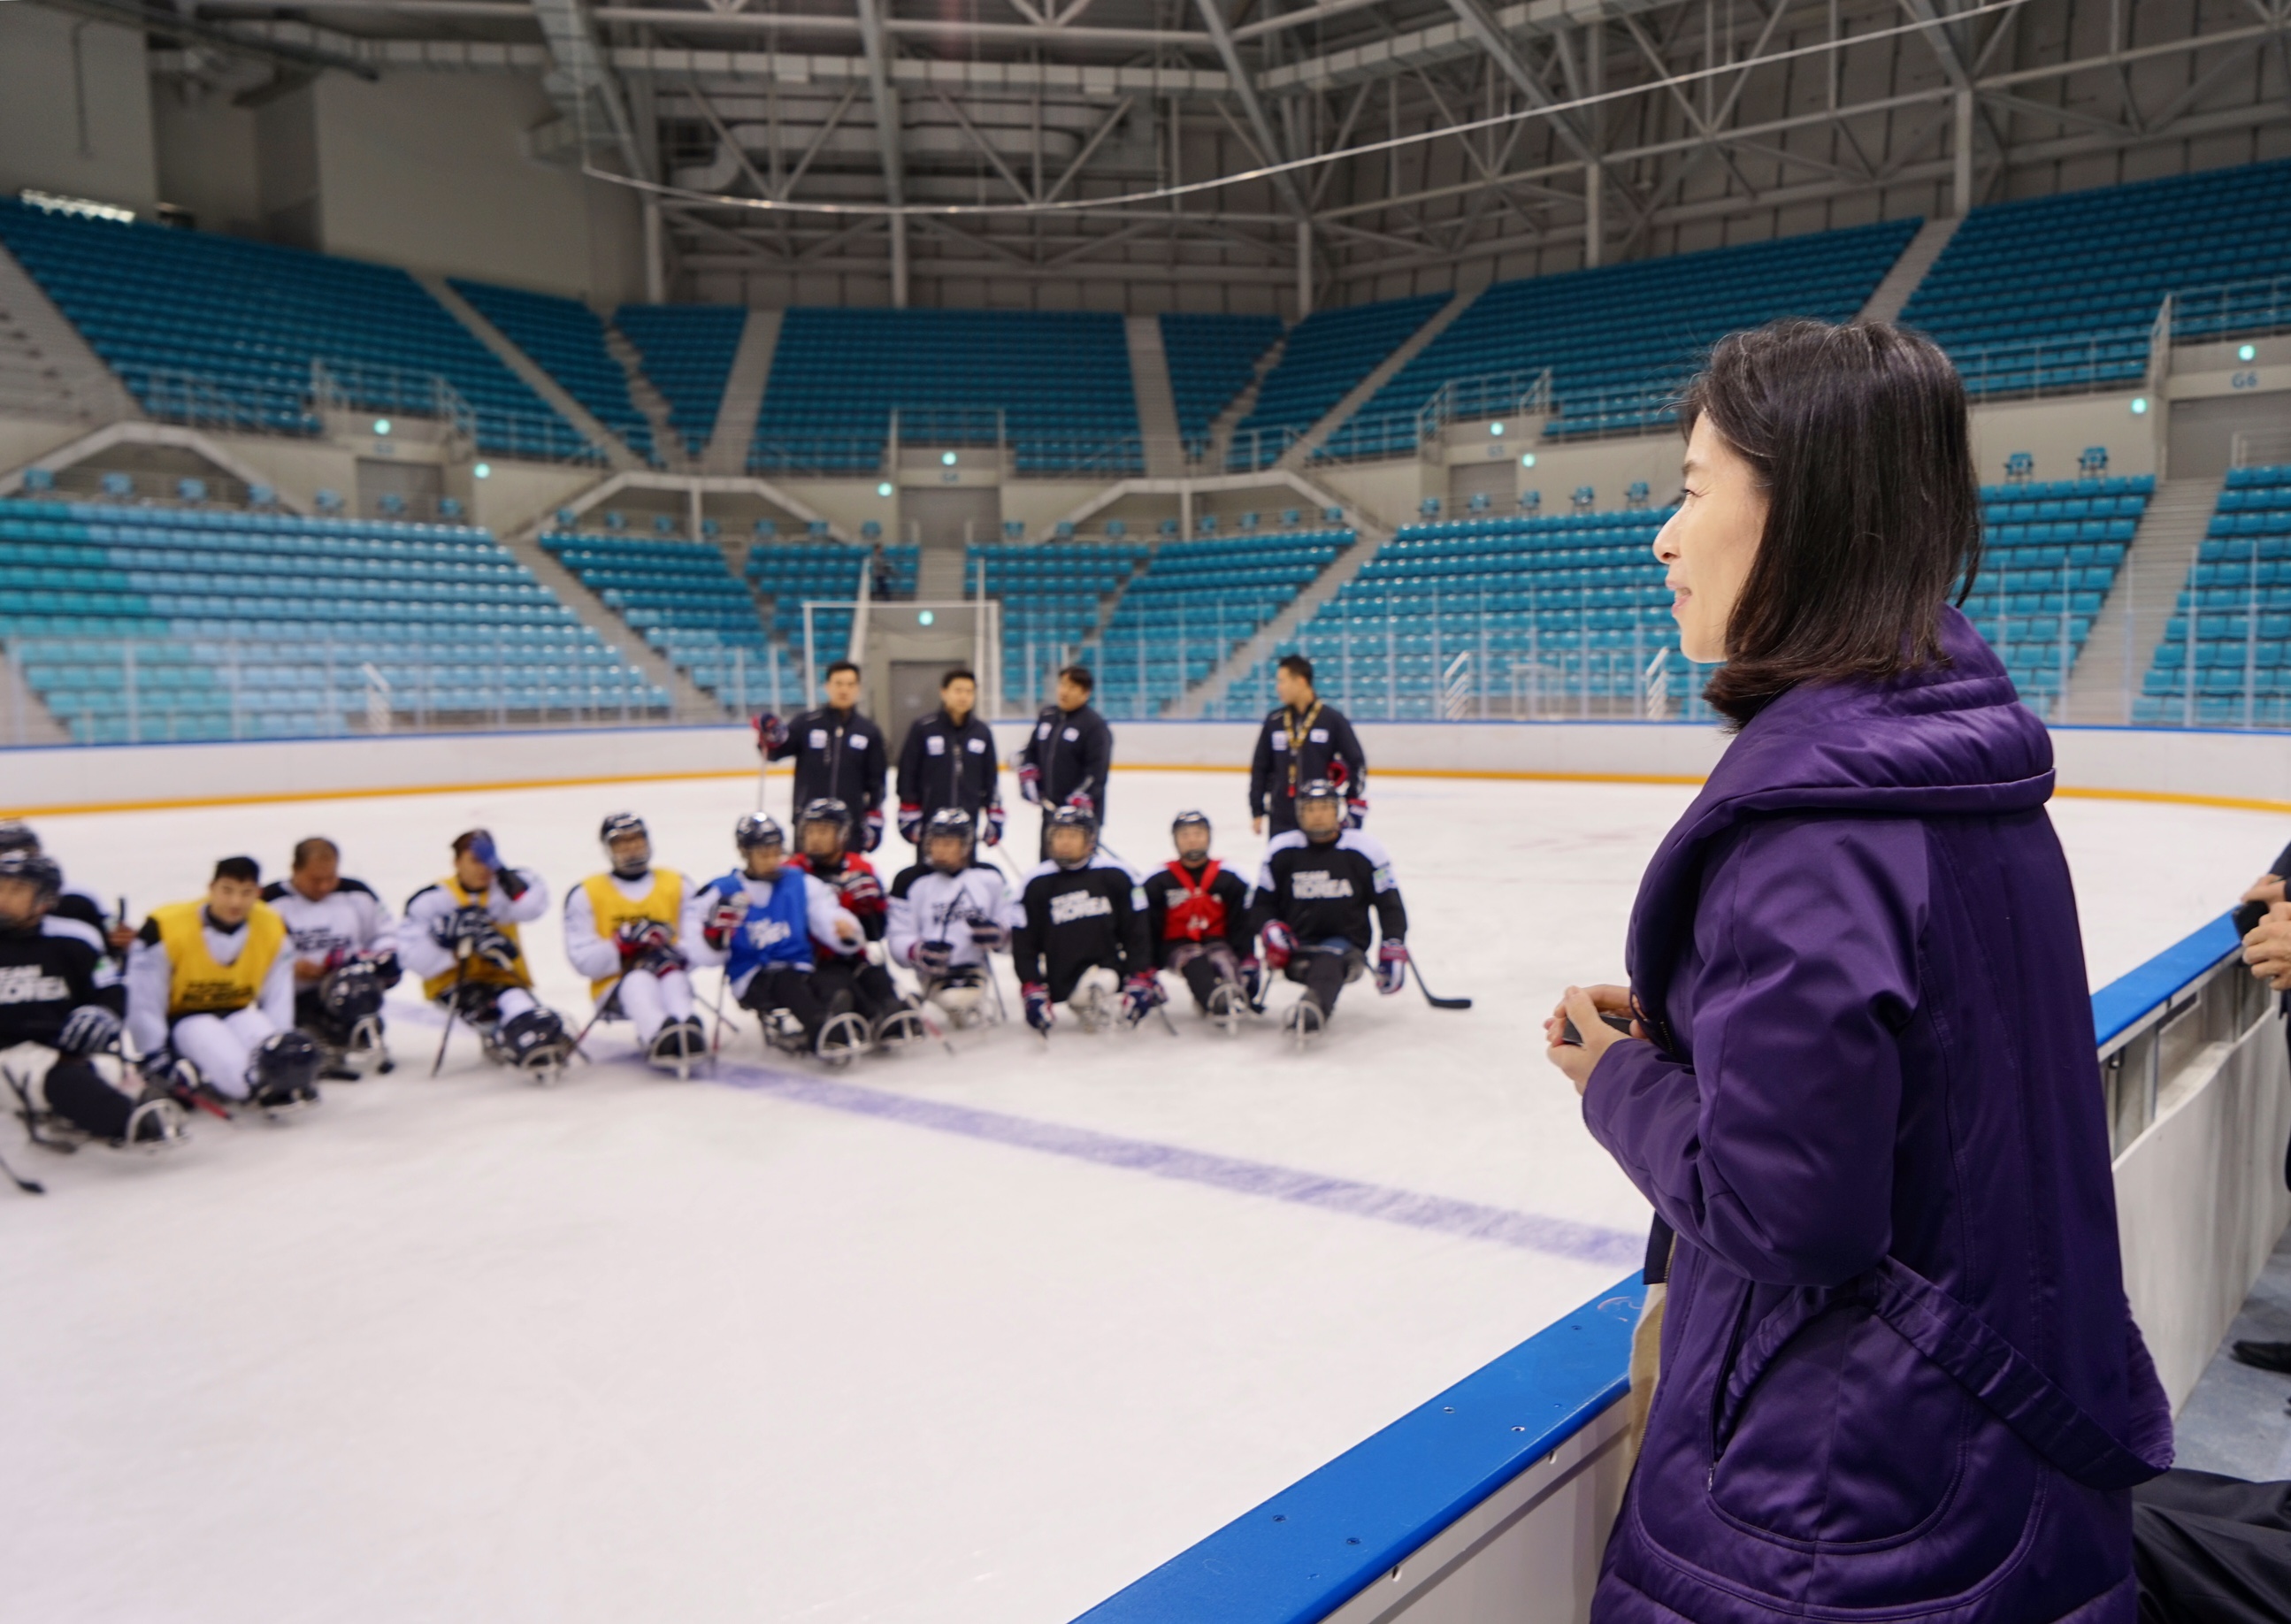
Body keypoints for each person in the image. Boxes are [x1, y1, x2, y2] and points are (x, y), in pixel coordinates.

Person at [1543, 320, 2167, 1624]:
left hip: (1844, 1510)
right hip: (1996, 1455)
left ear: (1807, 515)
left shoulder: (1817, 826)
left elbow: (1790, 1215)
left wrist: (1617, 1081)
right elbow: (1937, 1052)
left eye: (1694, 487)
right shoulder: (1958, 768)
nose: (1663, 534)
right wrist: (1707, 1032)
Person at [0, 848, 181, 1147]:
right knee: (57, 1078)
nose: (4, 897)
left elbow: (110, 987)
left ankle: (128, 1104)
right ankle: (130, 1125)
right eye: (1, 886)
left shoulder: (77, 938)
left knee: (109, 1071)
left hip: (68, 1048)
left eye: (17, 889)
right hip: (10, 1056)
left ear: (46, 899)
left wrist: (103, 1013)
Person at [125, 855, 321, 1114]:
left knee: (268, 1050)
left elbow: (278, 993)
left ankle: (276, 1083)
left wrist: (281, 1045)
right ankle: (253, 1086)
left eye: (246, 893)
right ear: (211, 889)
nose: (235, 902)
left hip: (238, 1012)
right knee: (240, 1080)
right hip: (185, 1020)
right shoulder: (165, 927)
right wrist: (153, 1053)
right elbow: (144, 997)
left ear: (258, 893)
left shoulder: (273, 925)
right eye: (227, 891)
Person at [685, 814, 868, 1062]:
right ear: (744, 852)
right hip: (752, 976)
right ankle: (821, 1029)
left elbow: (825, 913)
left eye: (776, 852)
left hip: (801, 967)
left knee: (829, 979)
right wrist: (713, 934)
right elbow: (699, 951)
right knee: (787, 982)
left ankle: (844, 1017)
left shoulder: (800, 882)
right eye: (763, 854)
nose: (772, 860)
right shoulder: (720, 891)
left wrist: (843, 930)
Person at [399, 830, 571, 1076]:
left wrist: (502, 872)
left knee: (523, 1011)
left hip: (504, 977)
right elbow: (411, 957)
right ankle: (502, 1038)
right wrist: (450, 944)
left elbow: (532, 908)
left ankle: (530, 1044)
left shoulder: (506, 887)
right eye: (475, 860)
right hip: (453, 984)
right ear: (457, 863)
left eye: (488, 860)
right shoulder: (431, 900)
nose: (483, 868)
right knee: (490, 1014)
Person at [1248, 780, 1407, 1042]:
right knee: (1320, 962)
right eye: (1310, 809)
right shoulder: (1281, 849)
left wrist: (1393, 945)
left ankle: (1311, 1010)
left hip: (1347, 949)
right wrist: (1270, 928)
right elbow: (1261, 903)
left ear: (1338, 811)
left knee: (1330, 959)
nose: (1318, 815)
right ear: (1299, 813)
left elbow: (1389, 904)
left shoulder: (1366, 849)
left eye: (1325, 807)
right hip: (1295, 949)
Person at [563, 812, 705, 1074]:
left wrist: (673, 953)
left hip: (667, 973)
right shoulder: (586, 893)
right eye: (622, 842)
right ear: (608, 849)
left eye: (637, 839)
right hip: (614, 986)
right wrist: (621, 946)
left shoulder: (677, 884)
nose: (631, 847)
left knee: (673, 976)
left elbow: (697, 946)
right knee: (638, 980)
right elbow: (581, 960)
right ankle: (658, 1035)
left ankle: (687, 1027)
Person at [785, 797, 923, 1048]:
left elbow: (875, 933)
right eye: (810, 830)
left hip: (853, 956)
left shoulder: (862, 868)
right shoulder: (791, 871)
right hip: (810, 961)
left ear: (842, 834)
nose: (815, 837)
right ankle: (863, 1016)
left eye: (823, 830)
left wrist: (871, 905)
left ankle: (889, 1012)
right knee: (838, 983)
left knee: (875, 975)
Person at [263, 836, 400, 1078]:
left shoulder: (357, 893)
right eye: (315, 880)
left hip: (346, 988)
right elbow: (248, 955)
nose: (324, 886)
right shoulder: (268, 903)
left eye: (331, 878)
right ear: (294, 869)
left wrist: (364, 961)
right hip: (294, 996)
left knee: (361, 982)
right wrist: (287, 967)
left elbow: (385, 937)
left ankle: (361, 1033)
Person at [1013, 805, 1155, 1035]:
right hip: (1061, 977)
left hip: (1109, 970)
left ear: (1090, 840)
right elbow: (1024, 944)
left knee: (1102, 982)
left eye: (1073, 835)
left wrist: (1140, 975)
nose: (1065, 842)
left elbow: (1136, 933)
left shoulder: (1117, 875)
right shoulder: (1034, 883)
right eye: (1059, 835)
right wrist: (1032, 987)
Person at [886, 808, 1015, 1028]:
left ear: (965, 847)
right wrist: (917, 951)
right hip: (933, 975)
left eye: (948, 844)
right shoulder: (908, 881)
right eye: (935, 842)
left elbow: (1013, 917)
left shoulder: (990, 876)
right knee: (955, 1001)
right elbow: (898, 934)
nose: (940, 850)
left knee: (962, 1000)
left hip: (974, 970)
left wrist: (1000, 933)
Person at [752, 658, 890, 852]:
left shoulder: (869, 731)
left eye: (850, 684)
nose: (844, 690)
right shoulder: (807, 723)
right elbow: (775, 752)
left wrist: (874, 817)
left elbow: (877, 782)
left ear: (858, 688)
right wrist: (770, 735)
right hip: (808, 825)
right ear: (827, 686)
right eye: (838, 683)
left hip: (849, 827)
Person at [1142, 810, 1258, 1023]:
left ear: (1209, 836)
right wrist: (1147, 968)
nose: (1192, 840)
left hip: (1218, 941)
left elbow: (1242, 923)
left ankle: (1232, 995)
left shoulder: (1230, 876)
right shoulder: (1158, 880)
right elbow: (1147, 927)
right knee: (1194, 960)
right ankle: (1213, 1000)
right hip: (1176, 945)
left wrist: (1247, 959)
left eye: (1198, 833)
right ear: (1175, 840)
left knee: (1223, 960)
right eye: (1184, 835)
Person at [1249, 654, 1368, 837]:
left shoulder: (1332, 720)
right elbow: (1260, 767)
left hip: (1319, 816)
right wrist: (1257, 809)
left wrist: (1352, 799)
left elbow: (1356, 761)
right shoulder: (1274, 722)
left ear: (1301, 681)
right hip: (1281, 817)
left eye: (1282, 681)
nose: (1278, 688)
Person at [894, 667, 1004, 849]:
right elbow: (907, 772)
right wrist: (909, 810)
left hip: (968, 822)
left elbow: (990, 778)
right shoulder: (923, 728)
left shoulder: (982, 732)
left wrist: (994, 815)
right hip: (930, 822)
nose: (964, 696)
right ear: (943, 692)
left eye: (969, 691)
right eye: (958, 690)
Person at [1018, 664, 1112, 860]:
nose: (1064, 691)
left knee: (1079, 872)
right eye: (1062, 685)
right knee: (1048, 866)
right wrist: (1028, 775)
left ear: (1085, 693)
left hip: (1081, 817)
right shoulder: (1047, 716)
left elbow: (1097, 773)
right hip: (1051, 812)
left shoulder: (1094, 726)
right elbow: (1031, 751)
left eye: (1072, 687)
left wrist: (1079, 798)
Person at [0, 817, 129, 950]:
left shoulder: (78, 899)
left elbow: (114, 936)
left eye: (25, 853)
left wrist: (124, 938)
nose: (14, 864)